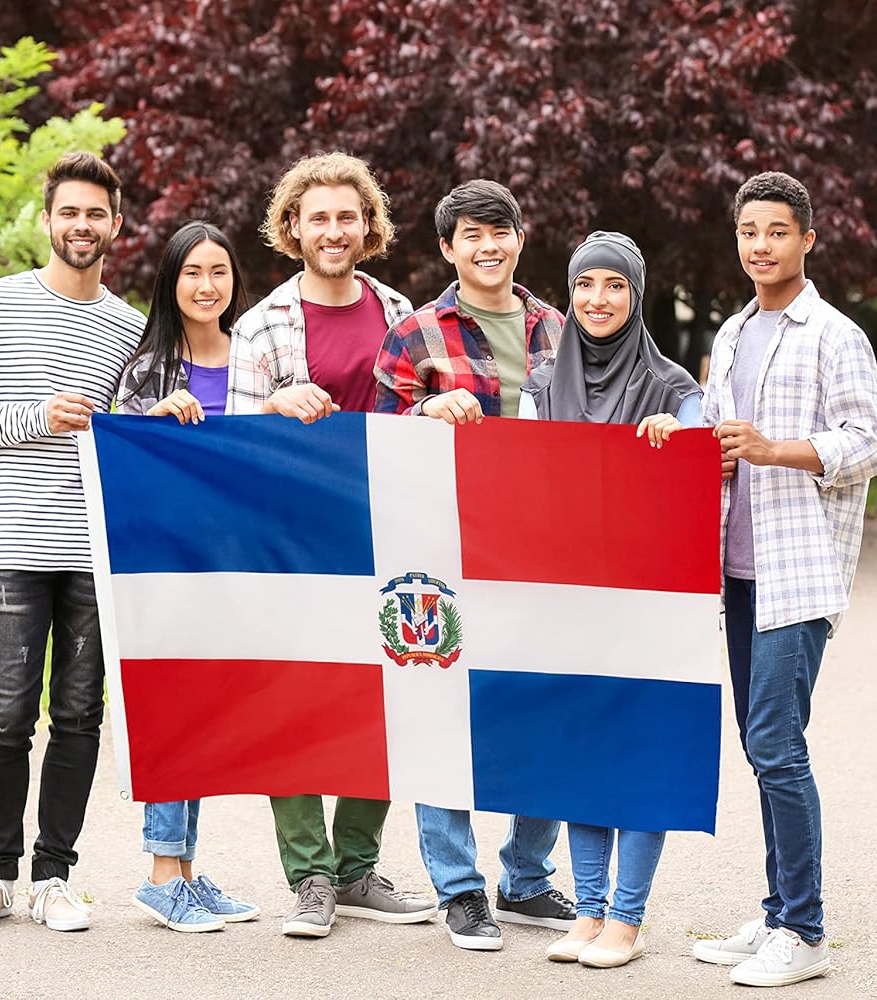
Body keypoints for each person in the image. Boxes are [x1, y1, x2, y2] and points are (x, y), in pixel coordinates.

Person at [0, 152, 147, 932]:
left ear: (115, 226)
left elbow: (135, 434)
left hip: (93, 549)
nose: (82, 226)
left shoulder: (129, 325)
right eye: (69, 213)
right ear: (47, 220)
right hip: (16, 546)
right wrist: (35, 415)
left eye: (97, 214)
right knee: (6, 715)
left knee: (81, 716)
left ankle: (54, 877)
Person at [688, 172, 877, 988]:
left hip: (796, 573)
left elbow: (868, 443)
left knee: (776, 745)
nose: (760, 245)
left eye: (777, 231)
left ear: (808, 238)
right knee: (761, 744)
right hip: (734, 570)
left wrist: (777, 450)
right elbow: (714, 434)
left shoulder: (834, 335)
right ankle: (776, 914)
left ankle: (804, 932)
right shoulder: (733, 333)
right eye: (748, 231)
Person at [227, 151, 435, 938]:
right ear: (293, 228)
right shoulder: (262, 327)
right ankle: (308, 875)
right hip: (295, 541)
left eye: (348, 216)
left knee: (388, 698)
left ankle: (356, 868)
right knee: (298, 706)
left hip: (386, 532)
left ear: (367, 225)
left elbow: (421, 420)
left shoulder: (398, 313)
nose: (334, 230)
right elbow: (237, 452)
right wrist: (276, 404)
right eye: (319, 217)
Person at [373, 179, 575, 952]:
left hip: (544, 554)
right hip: (445, 551)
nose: (489, 245)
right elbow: (376, 434)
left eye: (502, 231)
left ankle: (526, 877)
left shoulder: (562, 327)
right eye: (473, 235)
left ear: (521, 238)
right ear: (448, 248)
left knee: (546, 706)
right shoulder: (415, 333)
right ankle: (458, 890)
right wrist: (426, 411)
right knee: (441, 715)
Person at [519, 231, 702, 969]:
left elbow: (701, 442)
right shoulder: (541, 383)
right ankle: (588, 912)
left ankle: (628, 918)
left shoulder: (671, 386)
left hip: (647, 603)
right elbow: (523, 481)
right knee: (583, 756)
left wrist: (674, 439)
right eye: (586, 285)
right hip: (569, 601)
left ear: (636, 293)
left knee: (639, 755)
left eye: (614, 286)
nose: (598, 300)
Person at [114, 221, 260, 932]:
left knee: (204, 716)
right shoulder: (147, 368)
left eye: (220, 272)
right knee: (173, 710)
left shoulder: (254, 360)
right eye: (192, 272)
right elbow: (117, 454)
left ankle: (188, 872)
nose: (207, 286)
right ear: (172, 283)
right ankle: (159, 873)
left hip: (237, 568)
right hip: (168, 567)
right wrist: (150, 418)